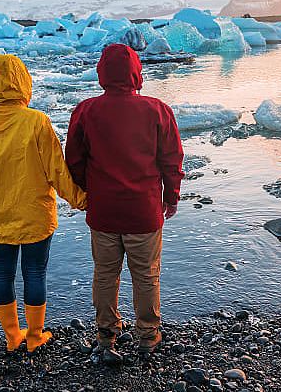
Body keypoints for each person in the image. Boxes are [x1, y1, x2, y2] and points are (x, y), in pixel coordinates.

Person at [65, 44, 184, 357]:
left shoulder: (86, 110)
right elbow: (172, 159)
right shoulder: (157, 110)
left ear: (102, 73)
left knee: (106, 274)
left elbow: (74, 160)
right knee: (146, 275)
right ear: (136, 72)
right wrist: (171, 196)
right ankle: (148, 335)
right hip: (144, 212)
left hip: (103, 211)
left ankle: (107, 336)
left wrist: (88, 189)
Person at [0, 54, 87, 353]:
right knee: (34, 272)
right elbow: (56, 170)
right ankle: (34, 336)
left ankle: (11, 335)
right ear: (22, 81)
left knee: (2, 273)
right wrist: (79, 198)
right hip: (34, 212)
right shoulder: (36, 121)